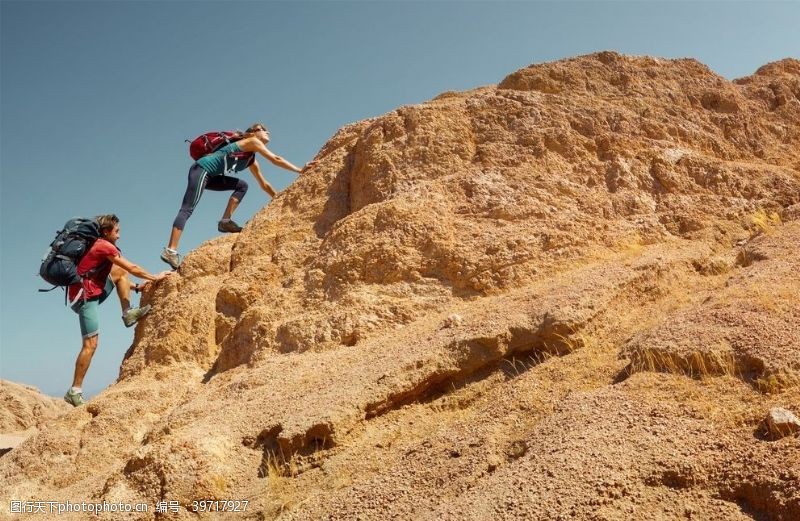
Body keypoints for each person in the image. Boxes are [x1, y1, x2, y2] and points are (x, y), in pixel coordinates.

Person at [161, 123, 316, 269]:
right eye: (262, 128)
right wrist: (300, 170)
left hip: (212, 176)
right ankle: (170, 250)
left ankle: (225, 221)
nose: (267, 131)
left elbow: (264, 184)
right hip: (202, 169)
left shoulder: (251, 159)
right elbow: (275, 159)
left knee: (242, 185)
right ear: (253, 133)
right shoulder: (252, 141)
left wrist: (280, 199)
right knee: (187, 209)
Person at [64, 214, 172, 406]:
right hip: (85, 298)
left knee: (118, 272)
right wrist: (155, 278)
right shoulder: (104, 246)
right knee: (91, 345)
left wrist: (137, 288)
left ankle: (128, 313)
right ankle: (74, 391)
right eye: (117, 231)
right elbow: (132, 267)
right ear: (106, 232)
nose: (119, 235)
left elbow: (115, 275)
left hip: (86, 291)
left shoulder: (95, 245)